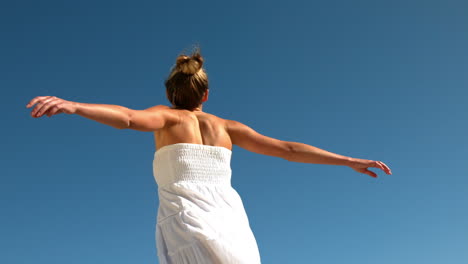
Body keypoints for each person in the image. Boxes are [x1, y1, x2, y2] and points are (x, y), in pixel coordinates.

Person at [26, 47, 392, 264]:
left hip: (187, 219)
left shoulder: (167, 117)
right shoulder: (228, 127)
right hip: (232, 223)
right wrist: (348, 160)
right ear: (205, 95)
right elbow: (289, 150)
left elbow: (127, 118)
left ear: (172, 95)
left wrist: (75, 106)